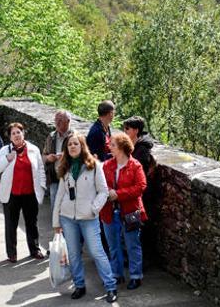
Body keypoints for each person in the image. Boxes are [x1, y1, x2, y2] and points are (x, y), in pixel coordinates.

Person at [52, 135, 118, 303]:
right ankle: (79, 285)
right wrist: (56, 221)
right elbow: (60, 194)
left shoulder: (94, 165)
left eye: (76, 144)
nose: (72, 146)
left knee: (97, 252)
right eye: (69, 145)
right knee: (73, 254)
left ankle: (110, 286)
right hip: (67, 217)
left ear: (82, 146)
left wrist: (93, 209)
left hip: (89, 217)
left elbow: (103, 191)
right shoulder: (64, 166)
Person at [0, 122, 46, 262]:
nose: (16, 135)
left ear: (23, 134)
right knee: (11, 225)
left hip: (30, 194)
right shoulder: (5, 151)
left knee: (32, 223)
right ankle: (12, 253)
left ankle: (35, 249)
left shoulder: (33, 149)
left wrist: (42, 186)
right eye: (13, 133)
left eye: (18, 132)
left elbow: (40, 169)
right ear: (10, 137)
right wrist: (6, 159)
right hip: (11, 194)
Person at [101, 132, 147, 290]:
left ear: (121, 147)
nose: (109, 147)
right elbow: (100, 184)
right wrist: (108, 192)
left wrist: (118, 194)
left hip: (130, 211)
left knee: (132, 244)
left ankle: (136, 276)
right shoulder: (107, 165)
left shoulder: (135, 165)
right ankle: (116, 274)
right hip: (108, 211)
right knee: (113, 245)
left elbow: (140, 187)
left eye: (112, 145)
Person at [122, 116, 160, 267]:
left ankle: (140, 262)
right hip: (136, 194)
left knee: (138, 227)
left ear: (136, 131)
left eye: (127, 129)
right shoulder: (135, 145)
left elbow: (138, 172)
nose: (124, 131)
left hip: (140, 196)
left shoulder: (142, 149)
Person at [42, 109, 73, 221]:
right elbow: (43, 156)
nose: (57, 123)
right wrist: (48, 158)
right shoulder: (52, 136)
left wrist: (67, 155)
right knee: (55, 207)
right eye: (56, 120)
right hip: (54, 178)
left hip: (71, 178)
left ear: (68, 121)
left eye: (60, 120)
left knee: (70, 206)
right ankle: (57, 233)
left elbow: (83, 156)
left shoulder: (75, 137)